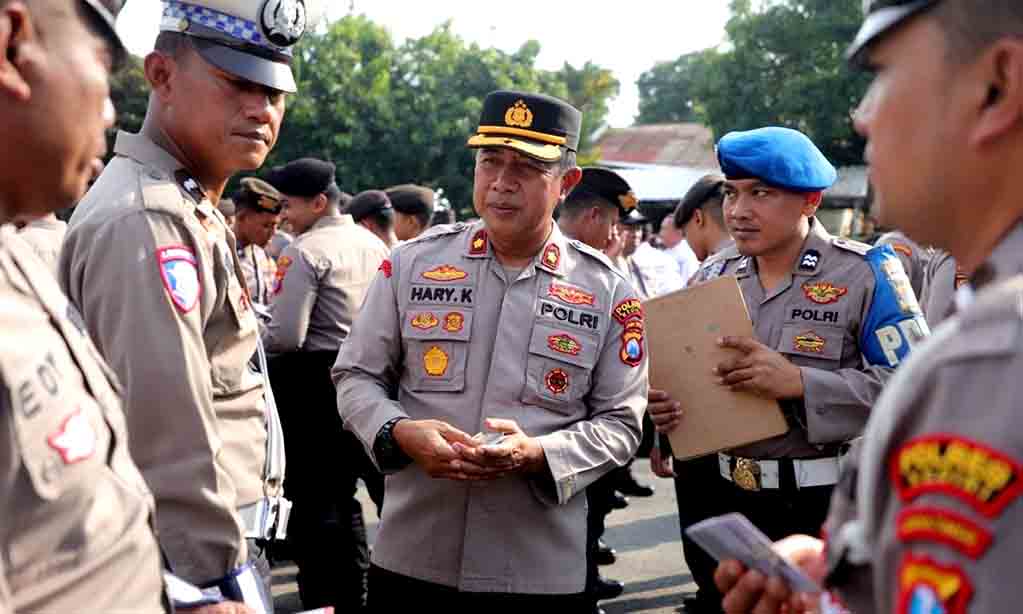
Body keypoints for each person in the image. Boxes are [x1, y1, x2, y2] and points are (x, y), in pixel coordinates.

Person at [714, 2, 1023, 613]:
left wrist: (799, 382)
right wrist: (844, 579)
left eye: (884, 75)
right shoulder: (983, 319)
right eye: (732, 194)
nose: (861, 119)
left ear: (997, 88)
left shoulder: (999, 347)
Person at [333, 89, 647, 610]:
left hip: (537, 571)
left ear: (566, 183)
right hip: (414, 558)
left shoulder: (609, 291)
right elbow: (356, 375)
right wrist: (396, 431)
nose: (502, 182)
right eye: (490, 161)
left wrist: (542, 454)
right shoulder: (410, 265)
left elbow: (622, 422)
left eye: (527, 167)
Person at [58, 0, 324, 604]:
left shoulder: (181, 203)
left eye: (274, 92)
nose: (260, 108)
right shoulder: (149, 217)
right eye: (236, 83)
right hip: (188, 566)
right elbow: (166, 434)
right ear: (161, 75)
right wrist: (216, 580)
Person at [0, 1, 252, 612]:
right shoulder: (141, 214)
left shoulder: (14, 254)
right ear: (9, 47)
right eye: (103, 67)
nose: (113, 113)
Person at [647, 126, 929, 611]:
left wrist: (799, 383)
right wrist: (667, 417)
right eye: (732, 193)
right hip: (720, 500)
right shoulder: (712, 274)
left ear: (810, 201)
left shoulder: (866, 273)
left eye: (761, 193)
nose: (738, 210)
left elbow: (916, 392)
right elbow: (683, 376)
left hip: (816, 505)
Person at [263, 157, 389, 610]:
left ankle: (324, 600)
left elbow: (285, 336)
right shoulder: (375, 245)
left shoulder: (303, 251)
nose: (283, 217)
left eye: (288, 206)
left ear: (318, 202)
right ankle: (359, 595)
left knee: (318, 506)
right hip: (373, 381)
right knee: (367, 496)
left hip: (313, 386)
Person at [649, 173, 735, 614]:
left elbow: (685, 374)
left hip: (710, 444)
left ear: (698, 219)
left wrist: (667, 442)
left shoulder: (711, 274)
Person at [233, 177, 281, 311]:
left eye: (276, 225)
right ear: (241, 217)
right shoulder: (220, 251)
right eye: (266, 225)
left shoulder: (262, 255)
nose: (273, 233)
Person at [658, 213, 701, 285]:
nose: (660, 233)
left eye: (664, 229)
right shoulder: (666, 251)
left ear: (678, 231)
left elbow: (688, 286)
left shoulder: (686, 254)